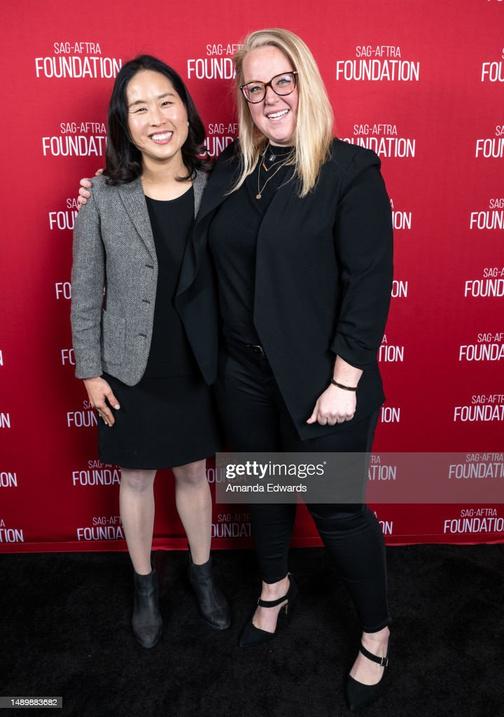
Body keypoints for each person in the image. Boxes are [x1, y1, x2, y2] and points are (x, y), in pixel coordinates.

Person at [79, 30, 393, 710]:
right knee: (265, 495)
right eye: (254, 88)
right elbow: (162, 196)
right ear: (243, 99)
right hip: (243, 376)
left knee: (338, 510)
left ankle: (376, 632)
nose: (269, 97)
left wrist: (345, 380)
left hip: (320, 384)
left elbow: (370, 285)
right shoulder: (234, 170)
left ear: (306, 82)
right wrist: (102, 192)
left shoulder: (350, 170)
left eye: (282, 81)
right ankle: (274, 588)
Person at [71, 55, 230, 650]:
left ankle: (203, 574)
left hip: (199, 364)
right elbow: (85, 289)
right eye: (139, 108)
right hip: (129, 368)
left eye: (166, 102)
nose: (157, 118)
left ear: (186, 111)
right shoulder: (102, 196)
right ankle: (144, 586)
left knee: (193, 472)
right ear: (125, 125)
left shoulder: (222, 186)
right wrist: (90, 372)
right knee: (136, 477)